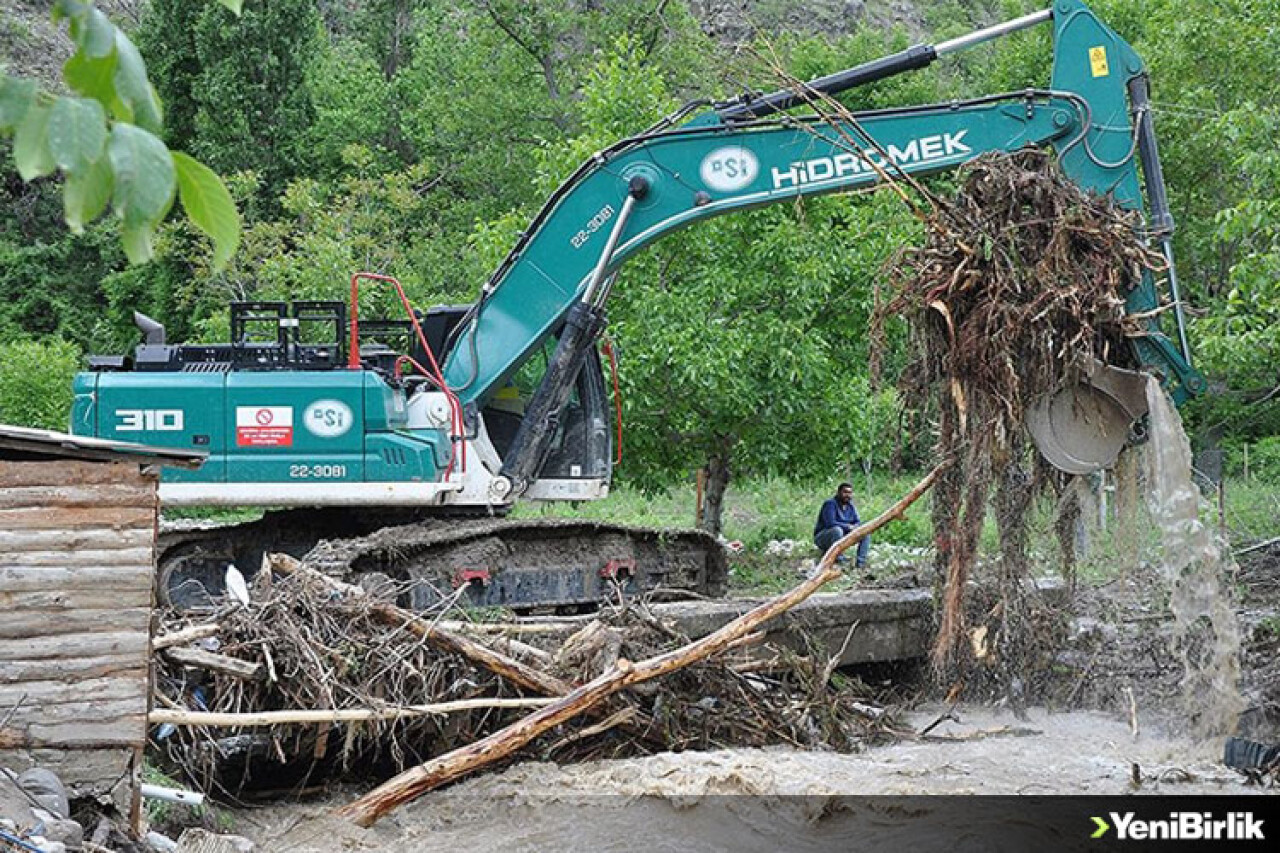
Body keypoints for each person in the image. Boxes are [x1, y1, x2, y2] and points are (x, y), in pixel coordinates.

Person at [813, 482, 869, 568]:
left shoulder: (850, 506)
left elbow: (857, 521)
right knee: (837, 530)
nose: (848, 495)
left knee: (865, 532)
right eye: (845, 492)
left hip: (842, 536)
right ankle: (839, 559)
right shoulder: (830, 504)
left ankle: (861, 563)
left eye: (850, 493)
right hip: (824, 537)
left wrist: (856, 528)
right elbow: (830, 523)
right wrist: (848, 527)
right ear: (839, 493)